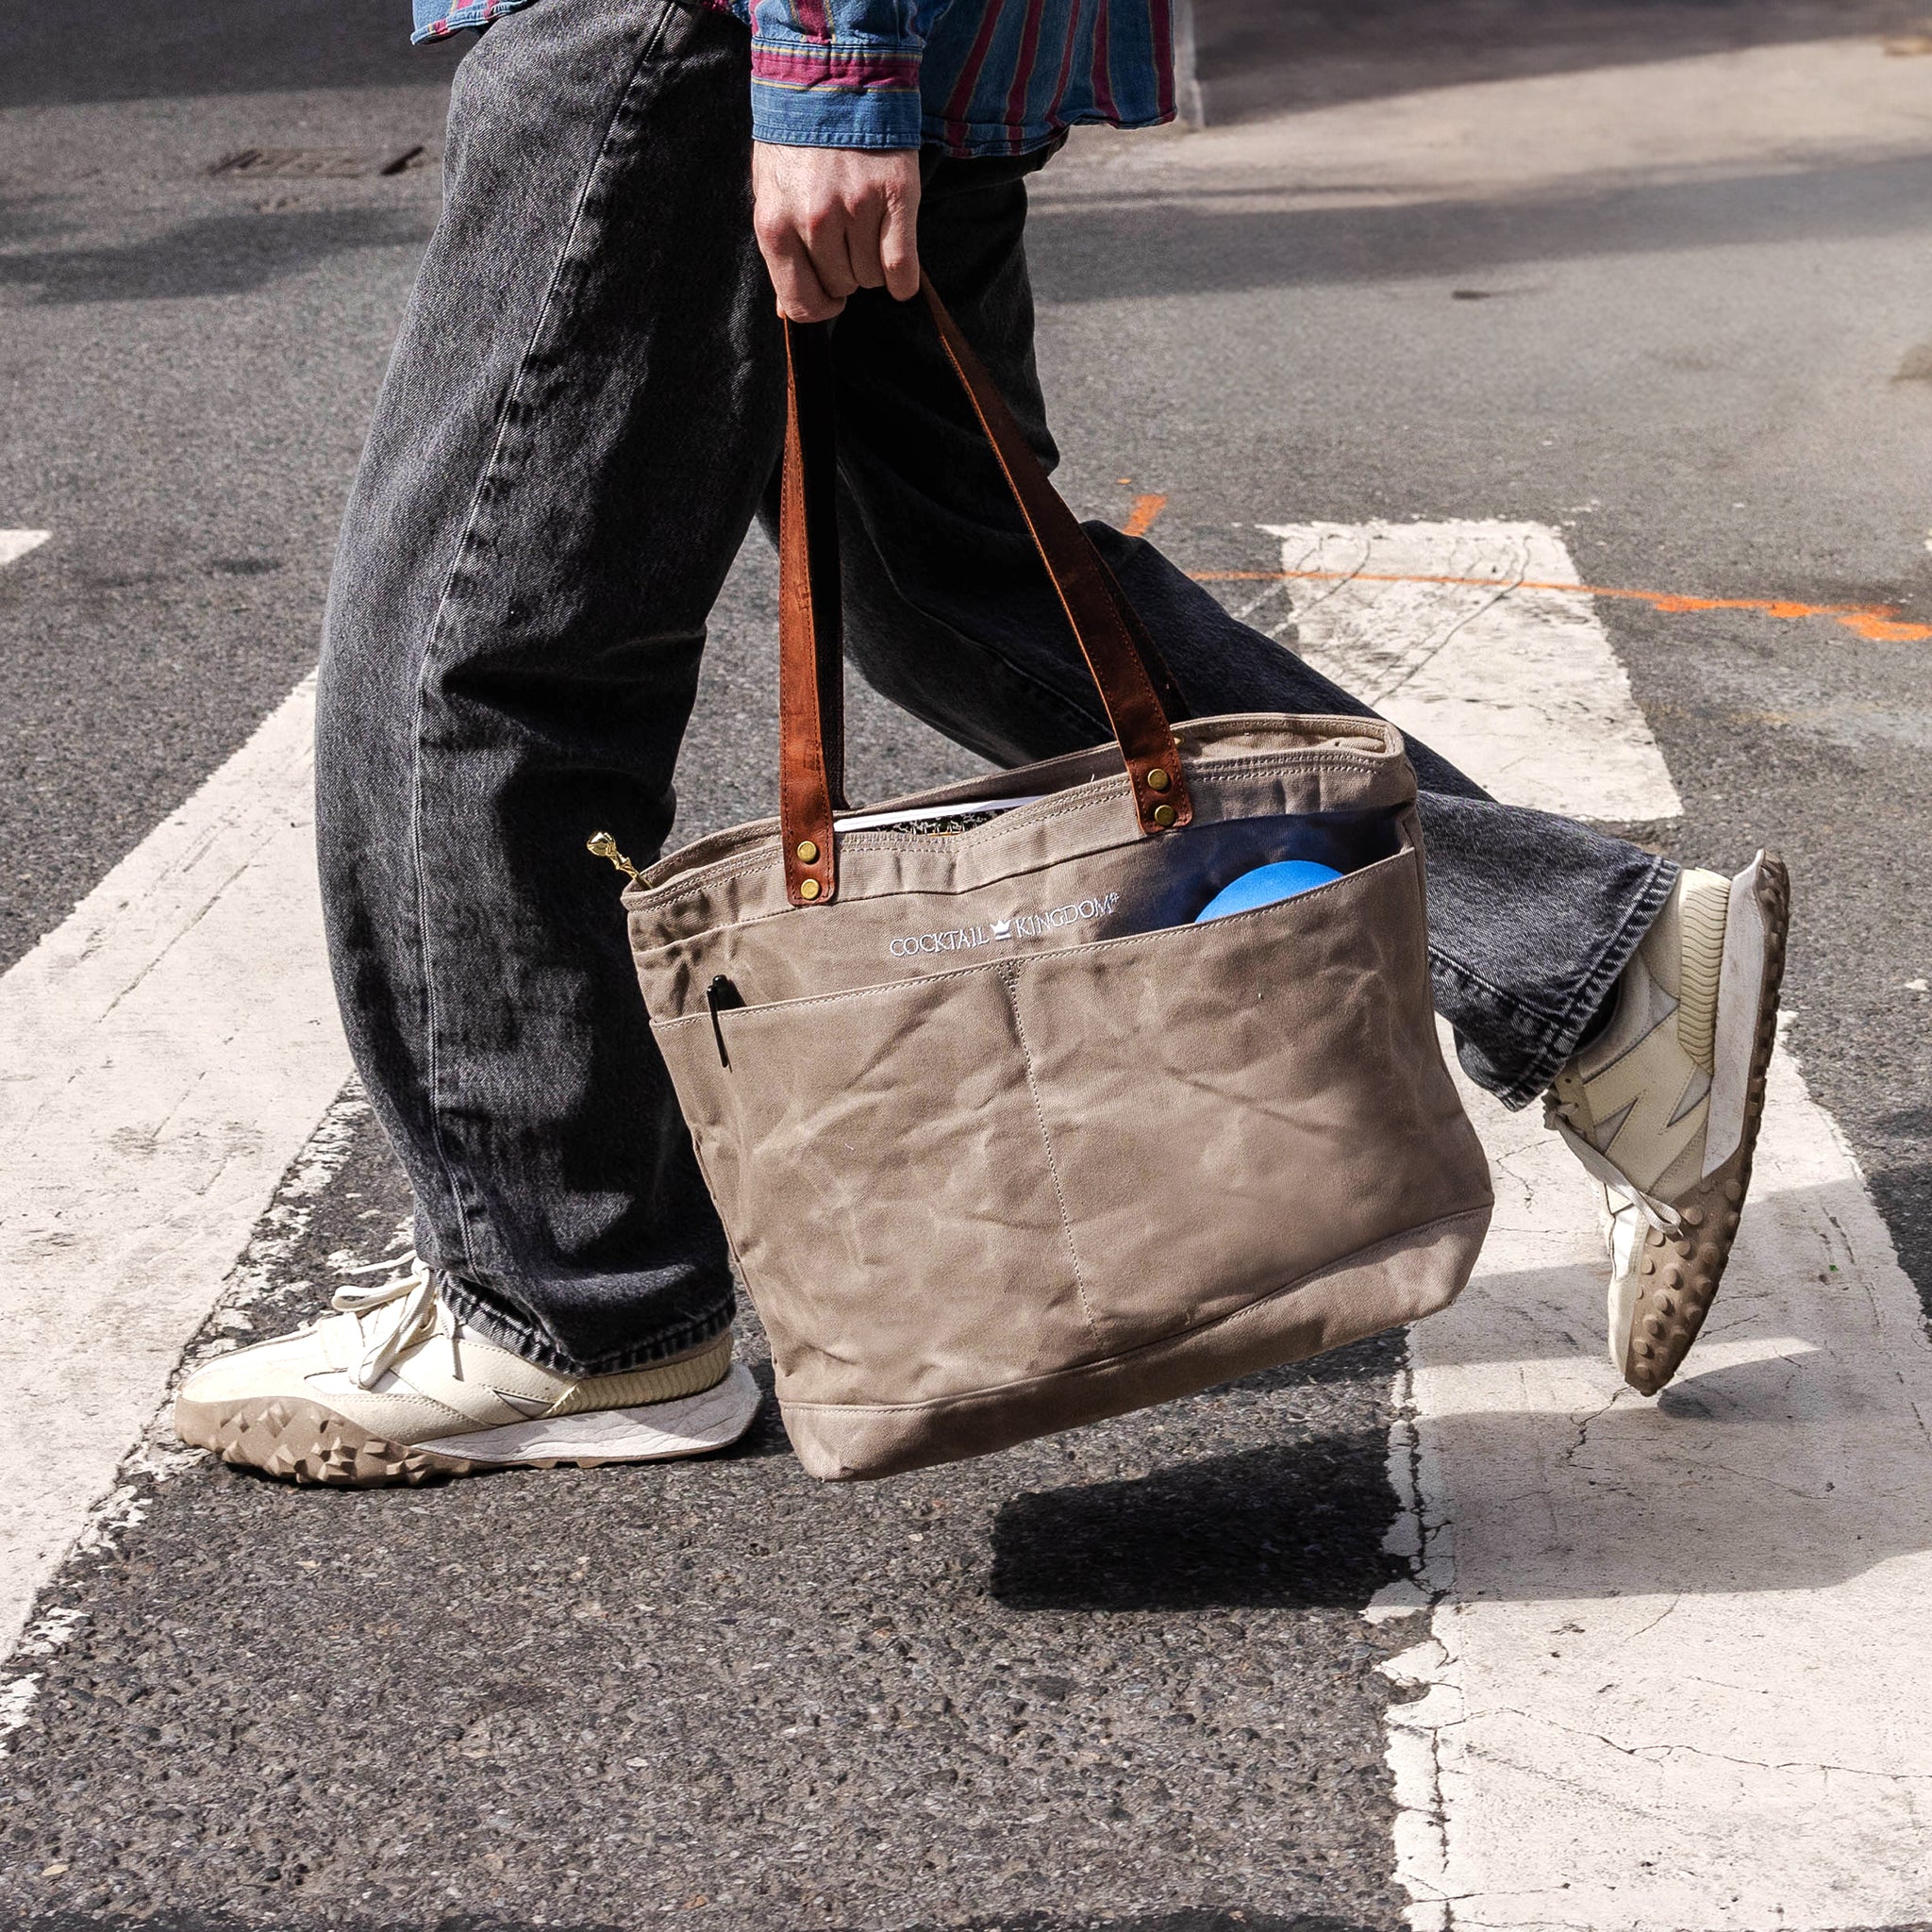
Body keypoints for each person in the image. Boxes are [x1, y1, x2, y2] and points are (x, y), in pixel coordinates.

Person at [173, 0, 1789, 1486]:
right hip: (876, 49)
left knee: (479, 651)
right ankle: (1602, 971)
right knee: (965, 589)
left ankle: (568, 1303)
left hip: (702, 34)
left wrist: (823, 59)